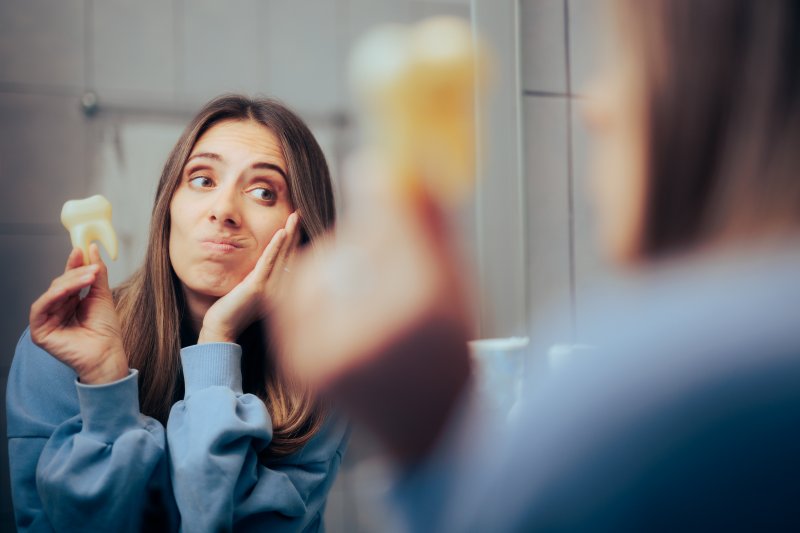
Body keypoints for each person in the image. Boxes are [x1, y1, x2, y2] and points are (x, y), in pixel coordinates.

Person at [271, 0, 800, 530]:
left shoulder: (652, 386)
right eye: (200, 180)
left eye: (624, 58)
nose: (592, 107)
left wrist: (430, 444)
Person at [6, 95, 348, 531]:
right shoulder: (63, 347)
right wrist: (106, 387)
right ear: (168, 205)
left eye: (263, 192)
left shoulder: (326, 370)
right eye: (203, 180)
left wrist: (218, 340)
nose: (223, 211)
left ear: (302, 234)